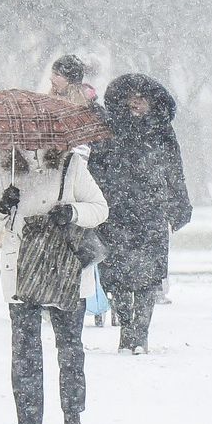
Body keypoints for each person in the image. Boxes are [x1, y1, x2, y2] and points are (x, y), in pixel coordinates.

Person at [0, 146, 108, 424]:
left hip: (64, 265)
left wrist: (72, 212)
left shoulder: (71, 164)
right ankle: (28, 421)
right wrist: (2, 207)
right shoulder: (6, 168)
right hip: (21, 269)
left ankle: (73, 417)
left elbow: (100, 208)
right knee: (25, 348)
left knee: (70, 347)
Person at [88, 74, 191, 354]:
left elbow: (174, 170)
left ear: (151, 102)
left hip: (151, 212)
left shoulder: (162, 131)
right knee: (118, 276)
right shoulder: (110, 129)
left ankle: (140, 334)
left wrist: (179, 205)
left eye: (141, 98)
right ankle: (126, 329)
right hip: (116, 211)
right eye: (131, 97)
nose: (135, 103)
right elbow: (96, 167)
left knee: (148, 277)